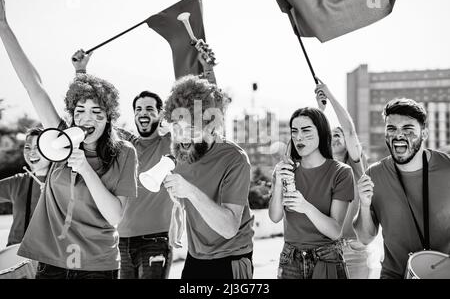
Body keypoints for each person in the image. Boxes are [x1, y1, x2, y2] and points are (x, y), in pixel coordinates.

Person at [0, 0, 138, 279]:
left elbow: (116, 217)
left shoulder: (124, 153)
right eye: (80, 111)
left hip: (97, 268)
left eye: (96, 111)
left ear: (109, 116)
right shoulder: (59, 137)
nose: (87, 119)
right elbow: (33, 85)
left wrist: (85, 169)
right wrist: (3, 25)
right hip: (50, 264)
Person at [71, 50, 173, 279]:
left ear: (160, 114)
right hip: (120, 240)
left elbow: (195, 124)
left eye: (149, 109)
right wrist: (81, 71)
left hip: (155, 241)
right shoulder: (125, 144)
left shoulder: (170, 143)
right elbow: (92, 117)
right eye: (138, 109)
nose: (142, 114)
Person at [162, 75, 254, 279]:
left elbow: (229, 228)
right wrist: (177, 213)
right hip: (195, 258)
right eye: (177, 128)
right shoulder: (182, 152)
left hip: (231, 259)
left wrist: (190, 192)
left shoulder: (235, 159)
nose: (183, 136)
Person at [353, 98, 450, 279]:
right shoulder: (373, 175)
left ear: (425, 133)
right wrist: (364, 206)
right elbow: (364, 238)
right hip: (394, 275)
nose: (398, 135)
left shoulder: (447, 167)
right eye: (392, 129)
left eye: (408, 129)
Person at [269, 107, 354, 279]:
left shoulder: (341, 172)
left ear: (322, 133)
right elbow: (275, 217)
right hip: (290, 260)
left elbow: (335, 231)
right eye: (294, 131)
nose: (298, 137)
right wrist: (278, 183)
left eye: (306, 130)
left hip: (327, 259)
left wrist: (305, 207)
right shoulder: (285, 169)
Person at [315, 81, 371, 279]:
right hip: (323, 251)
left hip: (352, 251)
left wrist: (329, 95)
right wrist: (319, 110)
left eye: (337, 134)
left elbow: (349, 130)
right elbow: (310, 135)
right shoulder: (320, 168)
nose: (334, 138)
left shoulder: (355, 167)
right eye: (330, 136)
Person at [0, 127, 50, 247]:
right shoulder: (18, 181)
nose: (31, 152)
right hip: (15, 253)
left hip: (48, 256)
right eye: (27, 147)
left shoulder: (63, 181)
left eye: (38, 148)